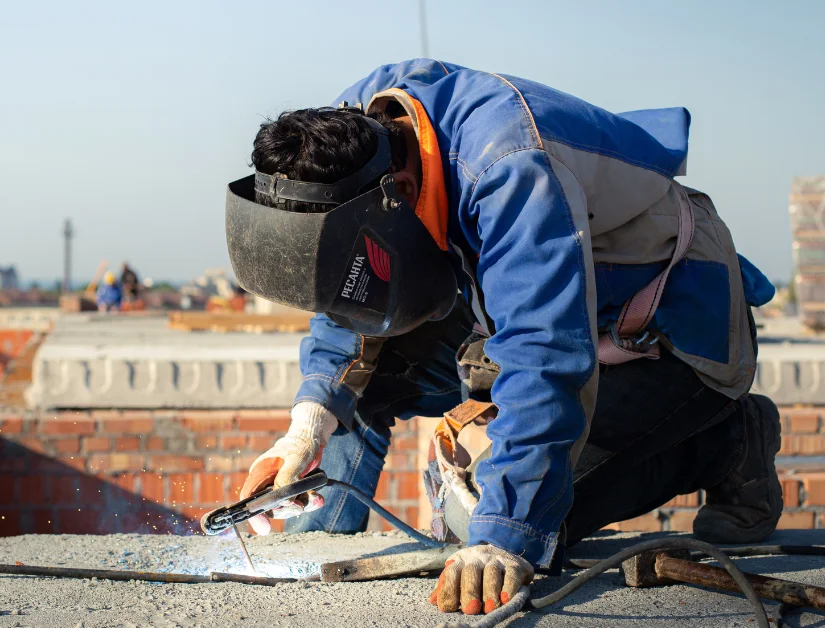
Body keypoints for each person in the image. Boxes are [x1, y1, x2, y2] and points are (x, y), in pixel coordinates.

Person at [223, 59, 781, 616]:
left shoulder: (510, 168)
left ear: (399, 190)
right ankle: (316, 546)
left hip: (669, 333)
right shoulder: (360, 131)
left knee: (509, 520)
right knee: (357, 392)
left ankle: (729, 445)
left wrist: (502, 535)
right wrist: (308, 426)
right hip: (537, 312)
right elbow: (350, 294)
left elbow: (546, 354)